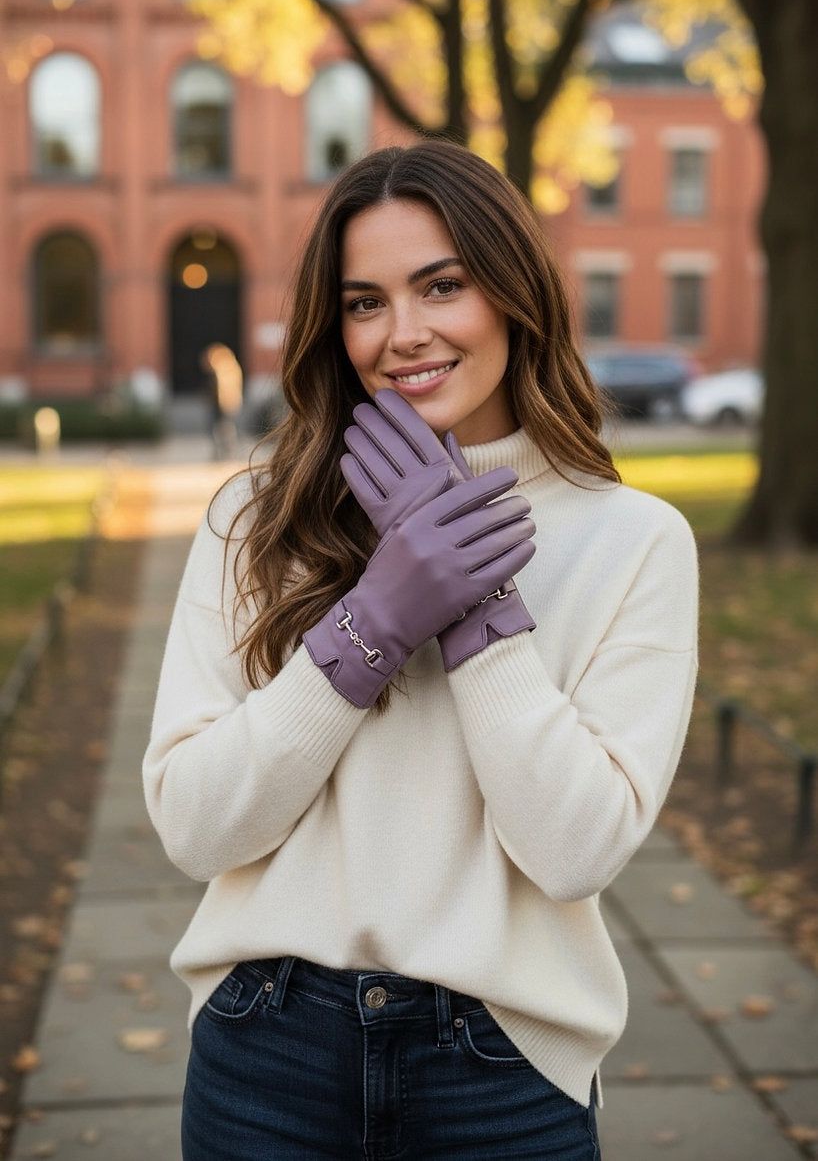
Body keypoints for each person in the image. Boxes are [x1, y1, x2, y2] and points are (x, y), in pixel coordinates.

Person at [143, 139, 698, 1160]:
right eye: (363, 302)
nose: (403, 334)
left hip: (502, 1068)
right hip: (266, 1050)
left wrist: (479, 606)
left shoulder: (632, 541)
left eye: (441, 285)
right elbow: (193, 825)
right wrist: (369, 626)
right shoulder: (252, 518)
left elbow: (573, 850)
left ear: (512, 291)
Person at [200, 341, 243, 459]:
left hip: (225, 404)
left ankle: (228, 452)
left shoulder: (226, 370)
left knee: (226, 428)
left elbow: (228, 389)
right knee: (218, 428)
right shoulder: (218, 371)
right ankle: (220, 452)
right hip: (217, 404)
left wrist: (229, 401)